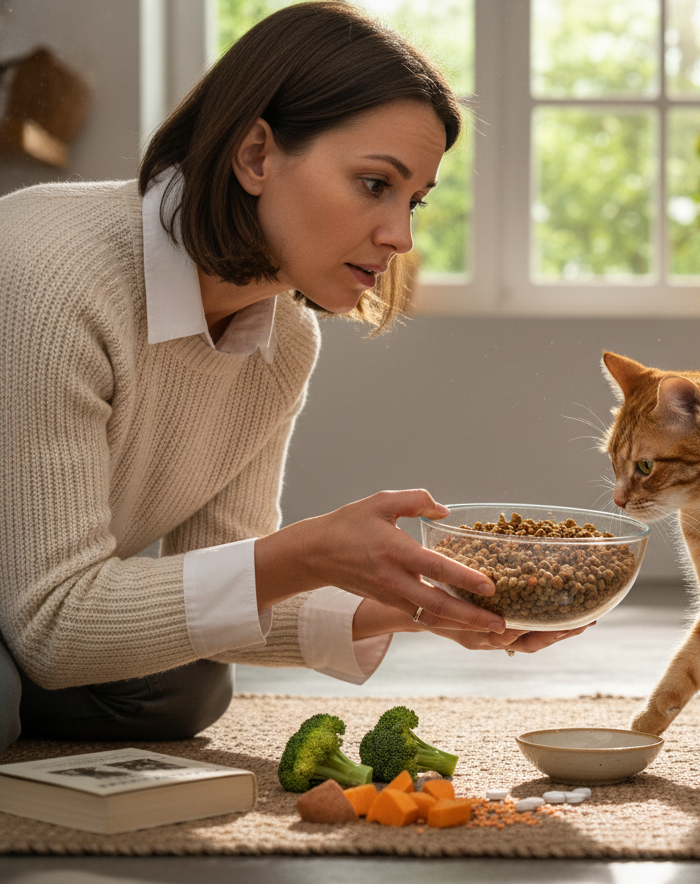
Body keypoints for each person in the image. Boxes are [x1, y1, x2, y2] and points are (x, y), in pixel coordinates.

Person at [0, 1, 586, 755]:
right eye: (376, 184)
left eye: (414, 201)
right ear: (254, 155)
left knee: (189, 683)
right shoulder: (49, 275)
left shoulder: (283, 339)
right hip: (37, 612)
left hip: (29, 603)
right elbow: (55, 627)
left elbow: (226, 575)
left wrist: (422, 604)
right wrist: (308, 552)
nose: (400, 236)